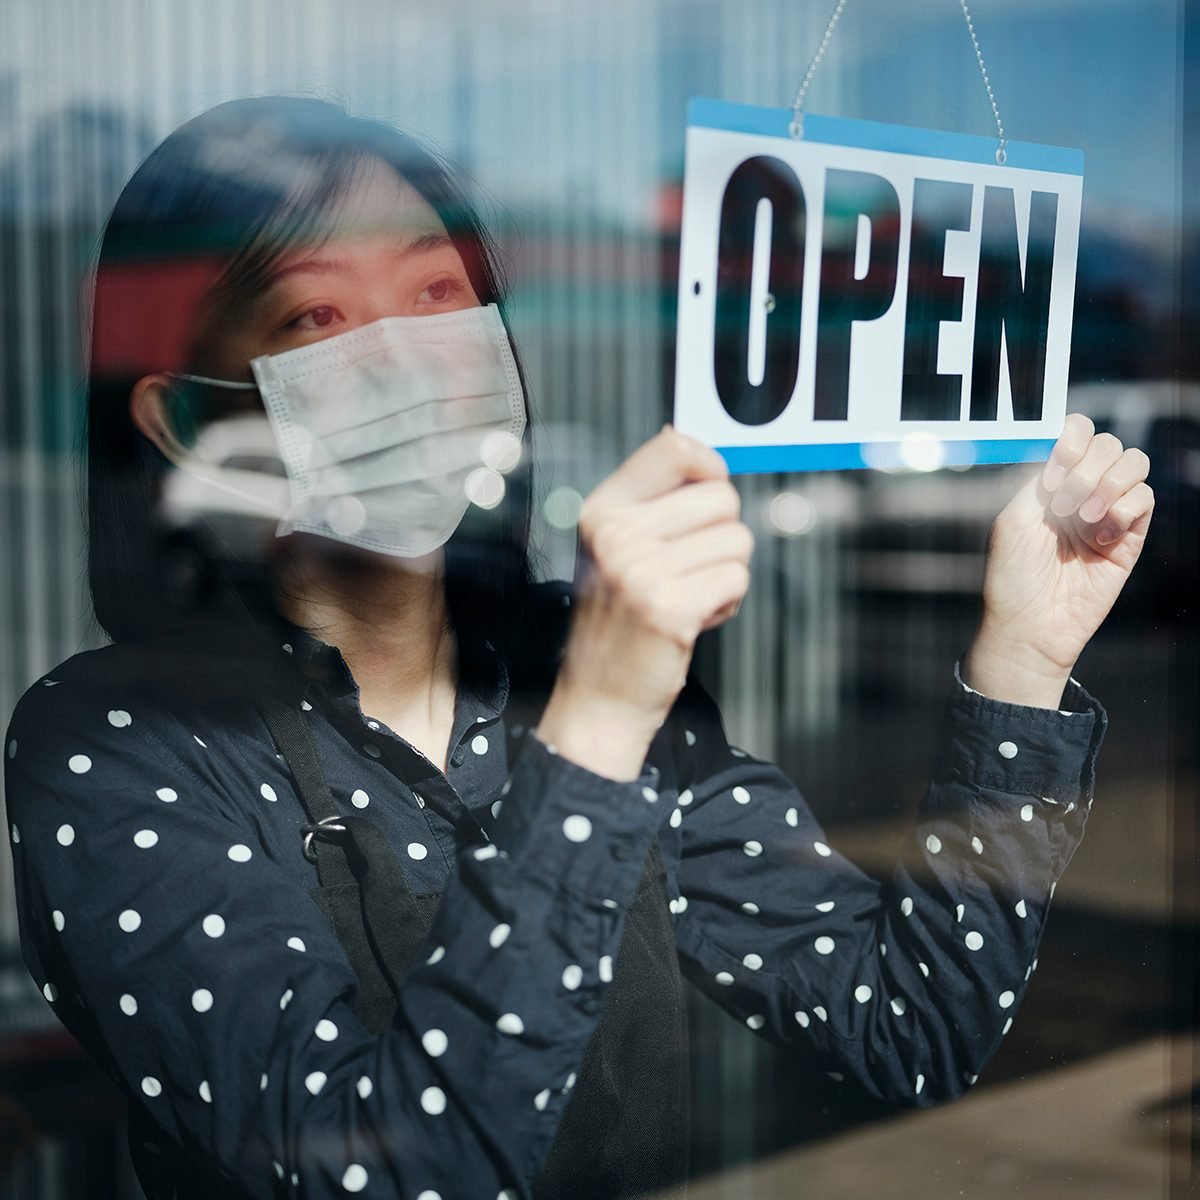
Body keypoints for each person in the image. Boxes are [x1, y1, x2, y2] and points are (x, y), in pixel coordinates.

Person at [3, 95, 1154, 1200]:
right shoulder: (115, 744)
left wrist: (1020, 661)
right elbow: (396, 1178)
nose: (409, 358)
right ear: (180, 415)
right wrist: (598, 719)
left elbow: (911, 1027)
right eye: (318, 317)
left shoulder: (560, 663)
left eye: (438, 291)